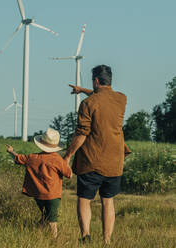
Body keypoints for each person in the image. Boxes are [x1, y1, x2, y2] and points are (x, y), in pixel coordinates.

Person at [63, 65, 130, 244]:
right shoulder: (121, 99)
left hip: (91, 160)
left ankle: (86, 237)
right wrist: (82, 90)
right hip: (114, 161)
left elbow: (82, 134)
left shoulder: (87, 104)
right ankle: (106, 241)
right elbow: (101, 97)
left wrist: (68, 155)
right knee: (108, 201)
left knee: (85, 199)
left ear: (96, 81)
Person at [6, 128, 72, 238]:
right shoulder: (58, 159)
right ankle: (55, 241)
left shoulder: (32, 157)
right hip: (52, 195)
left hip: (38, 195)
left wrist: (11, 151)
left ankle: (38, 235)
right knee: (52, 221)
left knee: (45, 216)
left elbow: (18, 158)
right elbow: (69, 174)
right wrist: (67, 162)